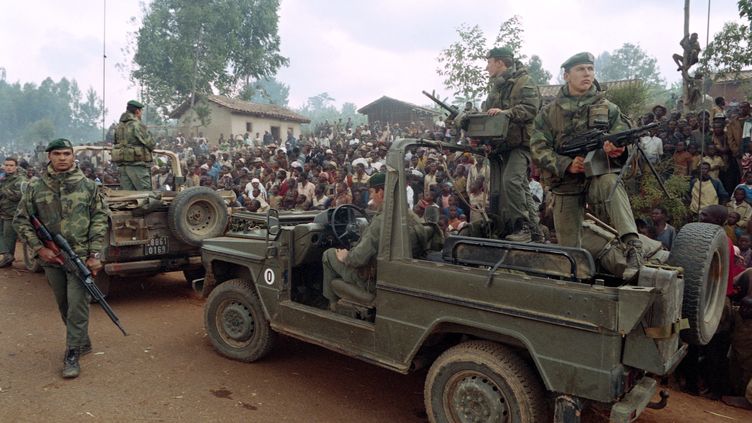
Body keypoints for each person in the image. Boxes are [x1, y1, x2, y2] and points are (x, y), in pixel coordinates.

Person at [530, 52, 643, 279]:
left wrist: (616, 149)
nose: (587, 74)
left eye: (590, 69)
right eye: (581, 69)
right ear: (566, 75)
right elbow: (538, 147)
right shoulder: (549, 113)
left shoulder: (608, 108)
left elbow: (621, 137)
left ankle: (633, 246)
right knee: (570, 252)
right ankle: (578, 285)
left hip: (597, 177)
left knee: (611, 181)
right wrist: (566, 164)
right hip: (565, 183)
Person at [13, 139, 108, 379]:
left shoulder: (88, 186)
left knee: (77, 305)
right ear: (49, 157)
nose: (63, 158)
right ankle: (82, 341)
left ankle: (72, 353)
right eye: (58, 153)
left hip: (81, 258)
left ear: (73, 156)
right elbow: (21, 220)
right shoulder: (36, 187)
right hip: (51, 258)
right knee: (64, 305)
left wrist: (95, 254)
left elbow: (99, 219)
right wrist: (38, 248)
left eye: (67, 153)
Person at [321, 173, 424, 311]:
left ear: (380, 192)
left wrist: (346, 256)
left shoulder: (382, 221)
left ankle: (331, 305)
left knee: (329, 254)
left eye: (371, 192)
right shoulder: (411, 216)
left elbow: (357, 259)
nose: (370, 197)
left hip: (373, 281)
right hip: (398, 276)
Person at [482, 47, 541, 242]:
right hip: (504, 144)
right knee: (521, 186)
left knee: (511, 181)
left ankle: (521, 228)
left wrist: (506, 112)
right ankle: (535, 231)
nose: (487, 67)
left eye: (489, 62)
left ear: (499, 62)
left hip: (521, 144)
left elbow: (531, 109)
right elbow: (486, 110)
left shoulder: (525, 82)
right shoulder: (497, 86)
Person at [112, 100, 156, 190]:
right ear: (137, 111)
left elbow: (116, 143)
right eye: (141, 112)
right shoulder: (137, 125)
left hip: (123, 166)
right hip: (137, 166)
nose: (141, 114)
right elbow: (151, 143)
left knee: (128, 196)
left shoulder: (119, 126)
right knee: (145, 195)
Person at [0, 157, 27, 267]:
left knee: (9, 236)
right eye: (6, 165)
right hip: (3, 211)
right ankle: (7, 254)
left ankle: (8, 256)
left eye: (11, 165)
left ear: (16, 167)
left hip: (13, 213)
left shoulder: (20, 180)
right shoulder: (3, 179)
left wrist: (3, 191)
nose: (9, 167)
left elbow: (20, 196)